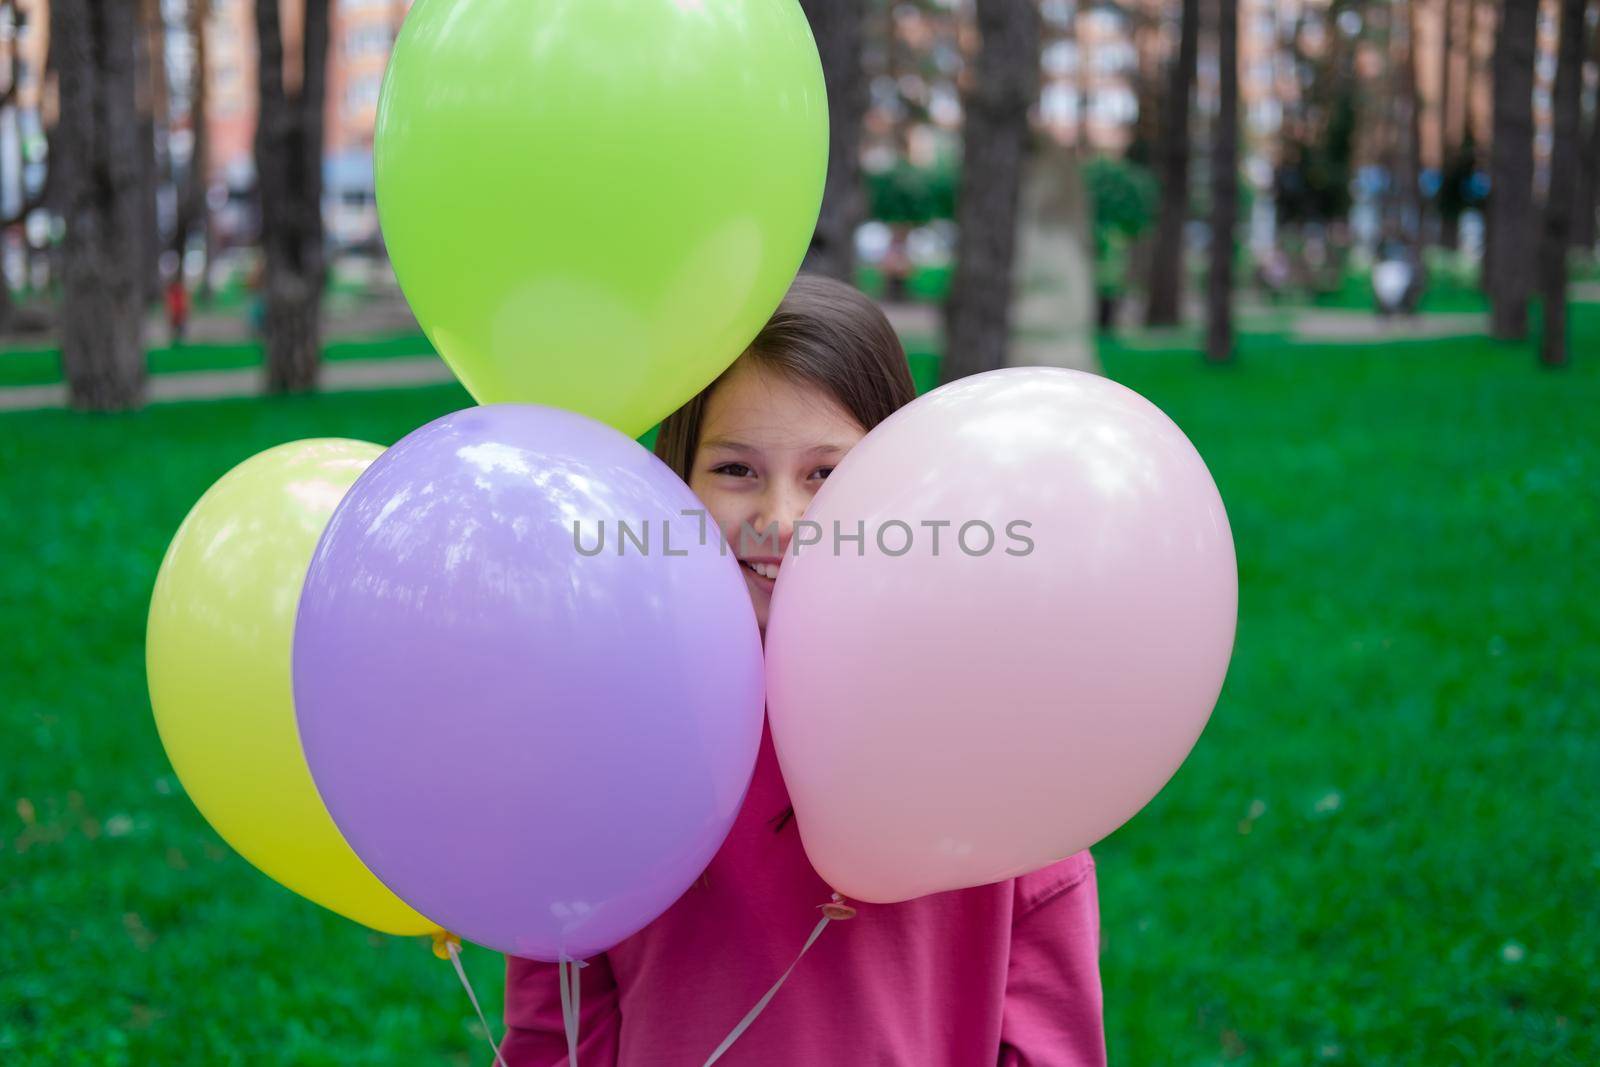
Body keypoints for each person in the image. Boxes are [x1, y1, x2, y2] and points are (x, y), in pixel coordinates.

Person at [500, 274, 1106, 1066]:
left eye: (825, 474)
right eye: (735, 470)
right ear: (669, 486)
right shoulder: (608, 742)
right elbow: (558, 1035)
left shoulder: (989, 742)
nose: (779, 518)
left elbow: (1046, 1037)